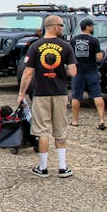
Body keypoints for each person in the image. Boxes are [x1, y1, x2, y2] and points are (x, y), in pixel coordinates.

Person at [18, 15, 77, 177]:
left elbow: (28, 72)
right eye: (61, 25)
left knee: (42, 130)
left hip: (41, 93)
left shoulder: (35, 46)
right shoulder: (66, 46)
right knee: (60, 130)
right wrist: (61, 70)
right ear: (54, 26)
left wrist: (21, 93)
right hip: (60, 92)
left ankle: (43, 167)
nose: (63, 28)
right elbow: (73, 71)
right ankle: (63, 167)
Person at [70, 18, 106, 129]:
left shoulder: (73, 39)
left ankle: (75, 120)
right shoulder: (94, 41)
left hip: (78, 71)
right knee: (97, 94)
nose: (93, 28)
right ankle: (101, 119)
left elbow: (70, 55)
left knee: (76, 96)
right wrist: (97, 60)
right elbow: (99, 57)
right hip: (91, 71)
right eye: (92, 26)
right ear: (87, 27)